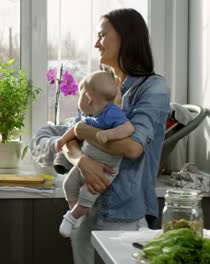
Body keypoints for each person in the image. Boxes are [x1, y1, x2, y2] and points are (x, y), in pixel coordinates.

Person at [61, 9, 170, 263]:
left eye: (102, 35)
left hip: (124, 214)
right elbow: (70, 143)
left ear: (126, 38)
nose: (96, 43)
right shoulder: (98, 83)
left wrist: (82, 130)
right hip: (86, 210)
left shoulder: (153, 88)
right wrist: (82, 162)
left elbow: (132, 148)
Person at [56, 70, 135, 238]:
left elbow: (128, 128)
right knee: (68, 184)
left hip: (105, 170)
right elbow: (76, 129)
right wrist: (62, 140)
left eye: (79, 95)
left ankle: (71, 217)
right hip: (86, 161)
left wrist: (108, 134)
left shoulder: (112, 112)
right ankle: (75, 211)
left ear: (88, 98)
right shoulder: (90, 114)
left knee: (87, 195)